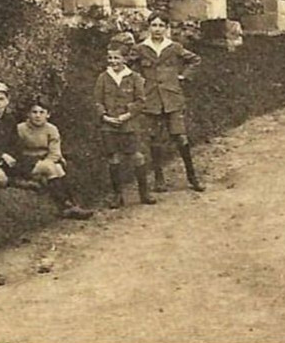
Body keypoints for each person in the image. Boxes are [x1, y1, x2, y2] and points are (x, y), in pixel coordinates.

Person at [133, 14, 205, 192]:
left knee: (180, 137)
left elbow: (195, 60)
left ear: (166, 28)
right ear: (149, 27)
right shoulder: (141, 49)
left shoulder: (174, 48)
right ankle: (159, 179)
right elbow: (128, 68)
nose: (157, 29)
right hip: (151, 99)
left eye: (160, 25)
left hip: (172, 99)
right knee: (154, 140)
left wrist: (183, 76)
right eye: (154, 25)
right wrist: (137, 84)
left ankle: (192, 177)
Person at [94, 43, 156, 207]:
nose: (113, 61)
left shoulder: (134, 77)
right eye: (110, 58)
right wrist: (105, 117)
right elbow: (97, 102)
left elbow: (141, 102)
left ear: (125, 59)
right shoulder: (103, 78)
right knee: (113, 158)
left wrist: (127, 115)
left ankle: (144, 193)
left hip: (129, 124)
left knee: (136, 155)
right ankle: (117, 195)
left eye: (117, 58)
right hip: (109, 124)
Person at [13, 100, 95, 220]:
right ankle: (67, 206)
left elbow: (55, 153)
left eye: (42, 112)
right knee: (53, 168)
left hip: (45, 161)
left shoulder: (51, 129)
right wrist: (43, 165)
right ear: (28, 114)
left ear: (48, 114)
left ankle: (70, 205)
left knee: (57, 167)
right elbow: (15, 151)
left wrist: (47, 163)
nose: (38, 115)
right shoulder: (20, 129)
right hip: (26, 163)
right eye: (34, 112)